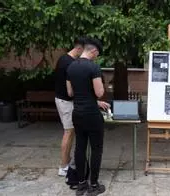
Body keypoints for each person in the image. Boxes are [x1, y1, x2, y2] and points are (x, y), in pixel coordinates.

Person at [66, 37, 110, 196]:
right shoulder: (93, 68)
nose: (97, 56)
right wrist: (101, 89)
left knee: (80, 147)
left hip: (77, 113)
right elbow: (99, 93)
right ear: (94, 51)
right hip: (92, 114)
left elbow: (70, 93)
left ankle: (81, 184)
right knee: (97, 149)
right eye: (97, 54)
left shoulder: (70, 67)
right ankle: (94, 185)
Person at [55, 37, 86, 176]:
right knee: (68, 132)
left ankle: (67, 160)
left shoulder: (65, 59)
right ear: (79, 48)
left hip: (65, 100)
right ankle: (63, 166)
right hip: (65, 102)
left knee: (71, 131)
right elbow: (71, 88)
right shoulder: (67, 62)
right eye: (83, 51)